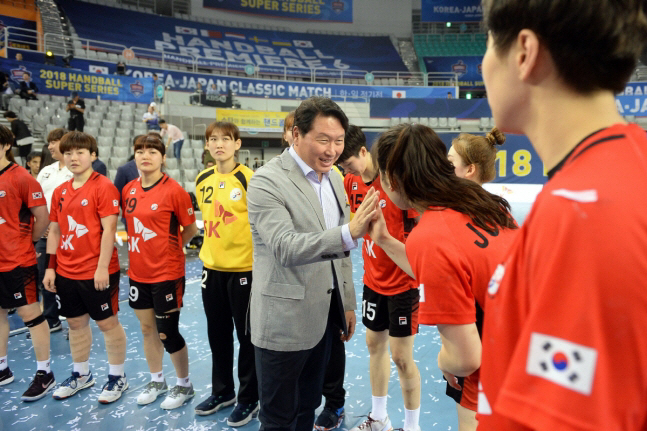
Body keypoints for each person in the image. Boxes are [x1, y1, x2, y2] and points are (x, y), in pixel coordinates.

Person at [477, 1, 647, 430]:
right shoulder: (621, 175)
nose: (482, 66)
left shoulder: (582, 211)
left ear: (524, 53)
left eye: (485, 47)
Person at [367, 123, 518, 431]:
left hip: (497, 370)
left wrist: (444, 360)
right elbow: (447, 269)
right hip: (534, 353)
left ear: (392, 180)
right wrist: (384, 240)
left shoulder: (432, 233)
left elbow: (465, 359)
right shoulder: (480, 201)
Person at [246, 96, 378, 431]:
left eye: (338, 141)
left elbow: (339, 252)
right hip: (283, 325)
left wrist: (346, 303)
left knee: (308, 409)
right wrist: (350, 232)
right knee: (277, 420)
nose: (332, 150)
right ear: (295, 135)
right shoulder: (266, 181)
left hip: (324, 318)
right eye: (322, 140)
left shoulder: (333, 177)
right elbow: (285, 248)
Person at [334, 126, 421, 431]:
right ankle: (380, 417)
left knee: (401, 358)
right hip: (373, 282)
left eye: (348, 164)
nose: (346, 171)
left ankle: (412, 426)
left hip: (402, 285)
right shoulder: (351, 182)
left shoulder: (397, 186)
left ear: (363, 152)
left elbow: (415, 246)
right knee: (374, 345)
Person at [43, 131, 128, 404]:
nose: (73, 158)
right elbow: (54, 231)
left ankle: (118, 377)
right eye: (68, 153)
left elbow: (109, 230)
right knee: (76, 324)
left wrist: (102, 268)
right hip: (66, 271)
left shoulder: (103, 186)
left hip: (97, 271)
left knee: (107, 323)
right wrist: (50, 268)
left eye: (80, 152)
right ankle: (81, 374)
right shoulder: (60, 191)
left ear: (93, 155)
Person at [122, 133, 198, 409]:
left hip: (166, 273)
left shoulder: (174, 191)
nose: (145, 156)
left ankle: (184, 384)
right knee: (146, 329)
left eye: (152, 151)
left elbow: (189, 229)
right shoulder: (128, 189)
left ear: (163, 158)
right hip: (137, 273)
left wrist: (171, 249)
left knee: (167, 332)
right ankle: (157, 380)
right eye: (140, 150)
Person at [193, 122, 259, 426]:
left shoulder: (249, 179)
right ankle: (223, 391)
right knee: (217, 334)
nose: (219, 144)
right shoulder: (202, 179)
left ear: (237, 144)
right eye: (213, 139)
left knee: (247, 337)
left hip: (244, 270)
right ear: (207, 145)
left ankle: (249, 398)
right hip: (212, 269)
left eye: (225, 139)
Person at [0, 124, 55, 401]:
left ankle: (45, 372)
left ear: (6, 145)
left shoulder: (21, 177)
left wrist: (28, 243)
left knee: (30, 315)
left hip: (17, 261)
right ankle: (2, 368)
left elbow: (42, 218)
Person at [35, 129, 73, 334]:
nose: (49, 146)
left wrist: (57, 225)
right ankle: (51, 319)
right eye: (48, 142)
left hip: (68, 233)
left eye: (54, 142)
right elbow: (37, 201)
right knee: (44, 275)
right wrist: (42, 225)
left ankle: (74, 319)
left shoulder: (76, 169)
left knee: (67, 277)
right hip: (44, 232)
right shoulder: (46, 171)